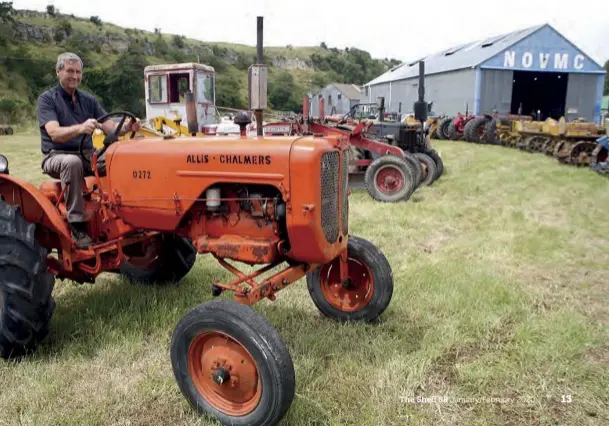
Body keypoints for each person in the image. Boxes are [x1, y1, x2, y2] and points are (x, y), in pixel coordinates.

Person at [37, 52, 141, 249]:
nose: (75, 76)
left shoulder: (88, 100)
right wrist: (80, 128)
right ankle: (78, 226)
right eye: (69, 71)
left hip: (87, 154)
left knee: (118, 159)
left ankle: (126, 215)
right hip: (56, 155)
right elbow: (54, 133)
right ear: (58, 71)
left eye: (78, 72)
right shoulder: (47, 100)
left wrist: (128, 127)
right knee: (72, 163)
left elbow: (109, 126)